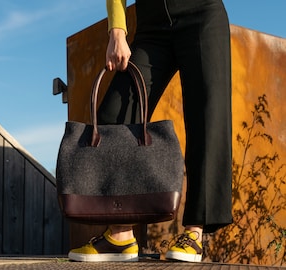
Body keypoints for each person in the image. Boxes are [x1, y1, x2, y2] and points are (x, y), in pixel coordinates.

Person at [68, 0, 232, 263]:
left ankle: (194, 233)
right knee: (114, 116)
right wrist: (117, 32)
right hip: (151, 24)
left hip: (202, 13)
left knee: (207, 116)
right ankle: (120, 236)